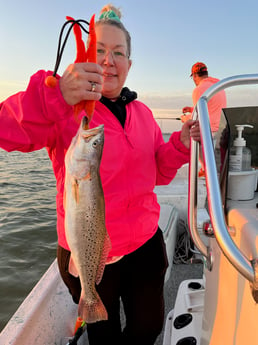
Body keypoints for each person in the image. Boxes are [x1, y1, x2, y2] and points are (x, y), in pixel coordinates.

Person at [0, 4, 200, 345]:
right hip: (86, 250)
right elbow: (6, 131)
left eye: (119, 53)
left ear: (129, 64)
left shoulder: (143, 114)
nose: (109, 60)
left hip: (143, 242)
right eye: (100, 51)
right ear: (86, 57)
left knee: (149, 326)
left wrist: (180, 145)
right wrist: (55, 96)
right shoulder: (65, 109)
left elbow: (158, 174)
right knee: (102, 333)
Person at [182, 62, 227, 177]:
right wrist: (192, 108)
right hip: (222, 130)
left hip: (209, 132)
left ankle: (205, 169)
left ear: (195, 76)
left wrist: (185, 118)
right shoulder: (218, 86)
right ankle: (205, 168)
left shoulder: (199, 89)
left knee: (193, 134)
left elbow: (197, 117)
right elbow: (212, 107)